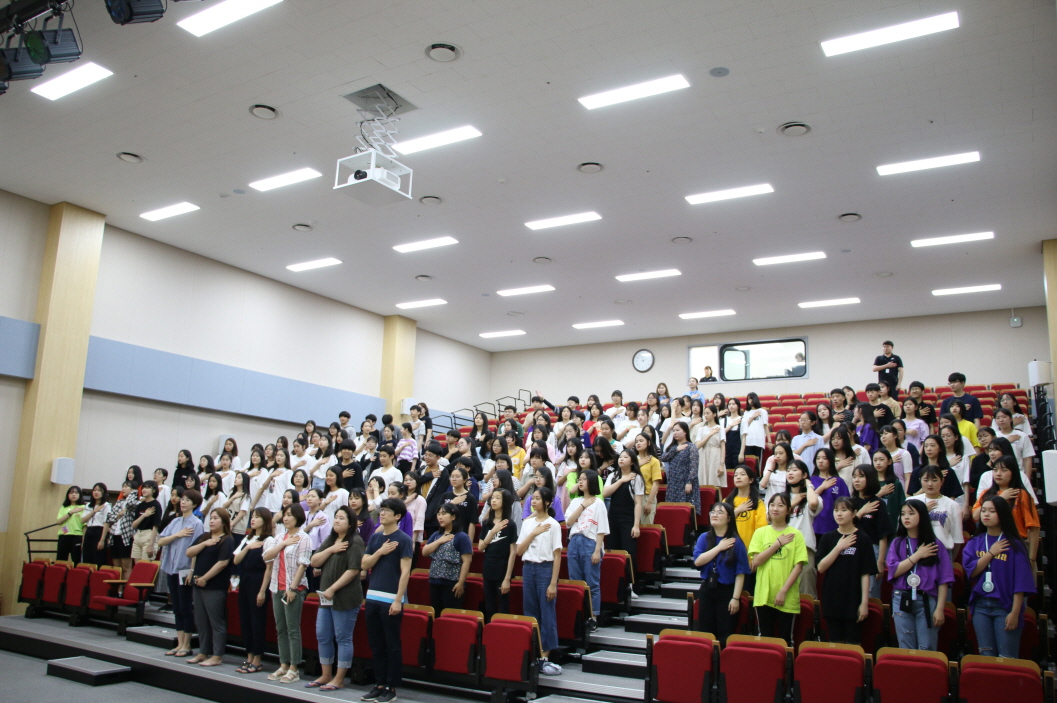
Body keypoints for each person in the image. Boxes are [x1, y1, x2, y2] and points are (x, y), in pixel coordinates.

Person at [963, 496, 1036, 658]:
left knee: (1007, 657)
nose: (986, 515)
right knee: (986, 655)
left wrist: (1015, 612)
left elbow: (1021, 582)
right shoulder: (975, 542)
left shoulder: (1014, 544)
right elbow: (971, 571)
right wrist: (991, 553)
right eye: (983, 511)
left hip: (1005, 606)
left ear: (1002, 514)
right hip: (981, 606)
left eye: (992, 511)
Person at [361, 498, 414, 703]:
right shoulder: (375, 538)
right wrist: (380, 552)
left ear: (397, 516)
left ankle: (391, 687)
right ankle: (379, 683)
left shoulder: (404, 539)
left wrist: (398, 600)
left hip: (391, 598)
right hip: (372, 596)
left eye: (386, 511)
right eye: (381, 510)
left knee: (392, 644)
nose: (381, 514)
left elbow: (405, 572)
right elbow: (364, 563)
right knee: (376, 644)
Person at [309, 505, 365, 691]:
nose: (337, 521)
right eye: (336, 517)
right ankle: (326, 674)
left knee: (343, 637)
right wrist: (332, 549)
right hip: (326, 597)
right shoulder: (332, 540)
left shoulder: (355, 541)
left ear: (350, 524)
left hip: (345, 597)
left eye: (342, 518)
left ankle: (339, 678)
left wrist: (333, 588)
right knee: (323, 635)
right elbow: (314, 561)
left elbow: (354, 570)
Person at [887, 500, 953, 651]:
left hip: (927, 599)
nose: (906, 518)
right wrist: (917, 555)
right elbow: (894, 571)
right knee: (905, 645)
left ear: (922, 516)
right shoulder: (897, 542)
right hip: (901, 597)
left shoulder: (935, 544)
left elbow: (944, 580)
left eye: (911, 513)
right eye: (903, 514)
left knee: (927, 647)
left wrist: (940, 608)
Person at [517, 486, 564, 676]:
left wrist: (553, 583)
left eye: (537, 498)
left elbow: (558, 556)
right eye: (532, 498)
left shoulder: (554, 524)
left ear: (547, 502)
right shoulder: (528, 524)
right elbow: (519, 551)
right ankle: (532, 654)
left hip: (545, 569)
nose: (533, 501)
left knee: (547, 613)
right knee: (530, 612)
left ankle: (545, 657)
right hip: (528, 568)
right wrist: (533, 533)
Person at [263, 503, 313, 683]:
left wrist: (292, 588)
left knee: (293, 629)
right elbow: (267, 556)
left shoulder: (304, 538)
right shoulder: (279, 537)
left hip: (293, 588)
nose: (286, 518)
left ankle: (294, 668)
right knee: (280, 628)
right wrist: (284, 543)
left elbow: (303, 564)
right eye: (284, 514)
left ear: (298, 517)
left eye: (290, 515)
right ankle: (283, 664)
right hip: (277, 586)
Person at [748, 494, 808, 645]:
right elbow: (756, 561)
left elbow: (799, 566)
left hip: (787, 595)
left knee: (785, 639)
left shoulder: (797, 535)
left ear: (788, 510)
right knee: (765, 638)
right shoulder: (760, 533)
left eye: (780, 505)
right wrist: (777, 544)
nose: (775, 508)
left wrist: (783, 591)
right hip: (764, 595)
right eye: (773, 505)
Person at [817, 497, 877, 644]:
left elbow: (865, 574)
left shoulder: (863, 539)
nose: (839, 514)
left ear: (854, 513)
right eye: (836, 510)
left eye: (844, 510)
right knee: (834, 644)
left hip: (853, 599)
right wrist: (838, 548)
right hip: (832, 599)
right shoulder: (828, 538)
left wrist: (864, 603)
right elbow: (821, 567)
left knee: (853, 644)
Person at [156, 489, 205, 658]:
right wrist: (177, 535)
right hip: (170, 567)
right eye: (182, 499)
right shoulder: (175, 522)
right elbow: (161, 541)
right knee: (176, 607)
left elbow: (196, 550)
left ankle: (187, 644)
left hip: (184, 569)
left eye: (187, 500)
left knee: (185, 606)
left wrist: (192, 571)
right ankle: (179, 643)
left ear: (195, 504)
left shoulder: (197, 524)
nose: (183, 502)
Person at [694, 502, 749, 646]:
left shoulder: (736, 542)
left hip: (727, 591)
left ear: (729, 518)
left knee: (725, 633)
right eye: (712, 512)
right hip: (707, 590)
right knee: (705, 632)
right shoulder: (704, 538)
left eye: (720, 512)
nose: (715, 515)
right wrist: (719, 548)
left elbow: (740, 573)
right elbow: (698, 561)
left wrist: (735, 598)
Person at [186, 508, 235, 667]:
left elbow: (222, 563)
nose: (212, 521)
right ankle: (203, 652)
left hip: (214, 586)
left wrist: (205, 578)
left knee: (215, 621)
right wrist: (205, 544)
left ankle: (217, 654)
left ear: (223, 522)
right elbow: (189, 552)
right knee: (200, 620)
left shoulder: (226, 540)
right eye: (211, 518)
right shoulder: (205, 537)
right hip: (198, 585)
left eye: (216, 518)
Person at [972, 457, 1040, 565]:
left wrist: (1031, 558)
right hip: (989, 543)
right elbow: (975, 516)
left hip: (1016, 544)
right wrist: (1000, 499)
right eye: (995, 470)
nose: (998, 474)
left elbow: (1034, 528)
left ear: (1013, 473)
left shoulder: (1021, 495)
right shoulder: (986, 494)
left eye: (1004, 470)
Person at [232, 508, 273, 674]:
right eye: (253, 516)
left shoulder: (269, 540)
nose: (253, 519)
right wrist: (248, 547)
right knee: (245, 619)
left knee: (257, 620)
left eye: (257, 517)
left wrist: (263, 590)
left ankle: (257, 659)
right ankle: (248, 656)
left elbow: (269, 568)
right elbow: (236, 559)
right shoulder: (247, 539)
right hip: (245, 579)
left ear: (265, 519)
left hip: (259, 580)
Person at [566, 470, 609, 629]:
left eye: (584, 479)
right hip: (574, 541)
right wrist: (583, 505)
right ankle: (578, 614)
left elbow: (601, 529)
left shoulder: (599, 503)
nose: (581, 482)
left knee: (592, 582)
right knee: (575, 581)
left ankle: (593, 616)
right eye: (579, 479)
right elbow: (569, 522)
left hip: (590, 542)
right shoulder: (576, 501)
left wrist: (598, 550)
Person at [850, 465, 894, 599]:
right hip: (851, 549)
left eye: (861, 476)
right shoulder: (850, 502)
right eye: (854, 477)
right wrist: (862, 511)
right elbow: (846, 526)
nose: (856, 480)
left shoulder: (878, 503)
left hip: (872, 550)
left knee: (870, 593)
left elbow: (883, 535)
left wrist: (880, 561)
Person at [421, 503, 473, 614]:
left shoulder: (462, 536)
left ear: (453, 517)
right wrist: (439, 541)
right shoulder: (436, 535)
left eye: (444, 514)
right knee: (436, 612)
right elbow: (425, 552)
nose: (440, 517)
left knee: (450, 614)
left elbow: (466, 561)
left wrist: (460, 583)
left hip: (452, 583)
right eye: (438, 514)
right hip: (434, 581)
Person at [603, 449, 644, 586]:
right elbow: (605, 493)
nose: (621, 459)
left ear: (632, 461)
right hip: (613, 519)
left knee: (629, 551)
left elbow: (638, 503)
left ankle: (631, 585)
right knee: (612, 550)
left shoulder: (636, 477)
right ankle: (614, 585)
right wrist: (621, 480)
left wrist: (636, 525)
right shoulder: (613, 476)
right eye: (620, 457)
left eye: (625, 457)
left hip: (628, 519)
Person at [479, 488, 518, 622]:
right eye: (492, 497)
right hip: (488, 568)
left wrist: (507, 577)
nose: (493, 500)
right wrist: (492, 531)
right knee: (489, 607)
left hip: (503, 570)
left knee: (503, 607)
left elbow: (513, 552)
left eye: (497, 498)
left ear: (505, 501)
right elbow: (480, 547)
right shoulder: (486, 523)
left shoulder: (510, 525)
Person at [907, 467, 963, 557]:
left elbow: (957, 538)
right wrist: (923, 512)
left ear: (942, 481)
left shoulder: (952, 505)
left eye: (934, 480)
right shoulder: (911, 502)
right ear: (920, 481)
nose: (930, 484)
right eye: (926, 480)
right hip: (915, 552)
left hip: (943, 552)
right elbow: (904, 529)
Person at [785, 460, 821, 597]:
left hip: (804, 547)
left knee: (806, 591)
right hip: (783, 546)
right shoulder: (781, 498)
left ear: (804, 474)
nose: (790, 473)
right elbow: (771, 519)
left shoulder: (811, 496)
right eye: (788, 470)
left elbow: (813, 503)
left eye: (794, 470)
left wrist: (808, 484)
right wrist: (793, 503)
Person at [810, 449, 851, 544]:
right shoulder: (810, 480)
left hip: (834, 526)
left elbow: (847, 504)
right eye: (818, 458)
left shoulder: (839, 481)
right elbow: (808, 501)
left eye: (824, 458)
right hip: (815, 526)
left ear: (830, 461)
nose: (820, 461)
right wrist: (822, 487)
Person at [662, 422, 701, 514]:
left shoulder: (691, 447)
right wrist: (676, 450)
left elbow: (694, 466)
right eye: (674, 431)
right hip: (673, 482)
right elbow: (664, 458)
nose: (675, 433)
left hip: (685, 482)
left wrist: (689, 482)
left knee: (686, 508)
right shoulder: (673, 447)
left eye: (678, 430)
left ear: (685, 432)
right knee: (672, 509)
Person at [731, 465, 768, 553]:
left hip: (750, 548)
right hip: (730, 549)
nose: (738, 477)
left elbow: (761, 528)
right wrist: (737, 511)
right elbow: (721, 523)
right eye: (735, 475)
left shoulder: (757, 503)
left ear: (751, 480)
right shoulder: (727, 501)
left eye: (742, 474)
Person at [694, 404, 726, 488]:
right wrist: (709, 435)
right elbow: (697, 446)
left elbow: (723, 446)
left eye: (708, 413)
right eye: (704, 413)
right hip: (703, 456)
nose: (706, 415)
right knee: (703, 483)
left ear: (714, 414)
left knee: (715, 482)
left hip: (716, 455)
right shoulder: (701, 429)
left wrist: (722, 464)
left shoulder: (720, 428)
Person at [80, 483, 111, 567]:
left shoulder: (106, 505)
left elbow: (106, 523)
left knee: (98, 558)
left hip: (99, 532)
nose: (96, 492)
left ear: (103, 492)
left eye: (99, 490)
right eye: (94, 490)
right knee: (87, 559)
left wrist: (102, 540)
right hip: (89, 531)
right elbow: (82, 520)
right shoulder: (88, 505)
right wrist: (94, 511)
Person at [131, 480, 162, 563]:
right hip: (138, 535)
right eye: (143, 487)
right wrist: (144, 515)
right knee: (137, 567)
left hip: (149, 535)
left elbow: (156, 526)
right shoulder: (140, 505)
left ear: (154, 490)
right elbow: (134, 525)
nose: (144, 490)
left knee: (145, 566)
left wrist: (151, 545)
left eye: (147, 488)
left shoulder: (156, 505)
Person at [635, 432, 663, 524]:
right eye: (636, 441)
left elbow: (656, 483)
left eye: (641, 441)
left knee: (645, 526)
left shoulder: (654, 461)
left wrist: (649, 502)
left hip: (646, 496)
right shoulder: (632, 460)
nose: (638, 443)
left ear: (648, 443)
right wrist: (637, 464)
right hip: (633, 496)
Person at [56, 486, 85, 563]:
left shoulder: (83, 507)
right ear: (68, 495)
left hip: (77, 536)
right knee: (61, 560)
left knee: (76, 560)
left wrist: (83, 540)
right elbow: (59, 521)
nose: (73, 495)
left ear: (80, 495)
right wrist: (71, 512)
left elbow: (85, 525)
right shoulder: (64, 507)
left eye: (76, 493)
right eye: (71, 493)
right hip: (64, 535)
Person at [739, 394, 770, 463]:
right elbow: (745, 425)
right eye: (748, 399)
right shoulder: (746, 412)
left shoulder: (763, 411)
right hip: (748, 441)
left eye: (751, 399)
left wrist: (769, 441)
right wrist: (753, 417)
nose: (750, 401)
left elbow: (765, 426)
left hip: (759, 441)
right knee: (749, 462)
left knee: (758, 463)